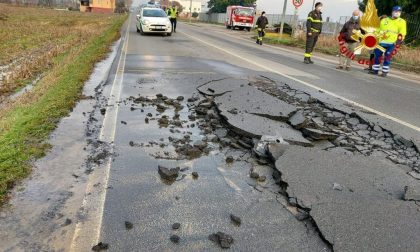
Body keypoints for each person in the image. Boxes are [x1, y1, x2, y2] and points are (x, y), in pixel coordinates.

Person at [370, 6, 406, 77]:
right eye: (396, 11)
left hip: (392, 43)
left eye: (399, 12)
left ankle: (384, 72)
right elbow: (378, 30)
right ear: (392, 12)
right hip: (381, 42)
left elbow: (402, 33)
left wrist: (398, 42)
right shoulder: (384, 20)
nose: (397, 13)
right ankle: (375, 71)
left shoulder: (402, 22)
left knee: (387, 57)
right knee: (377, 56)